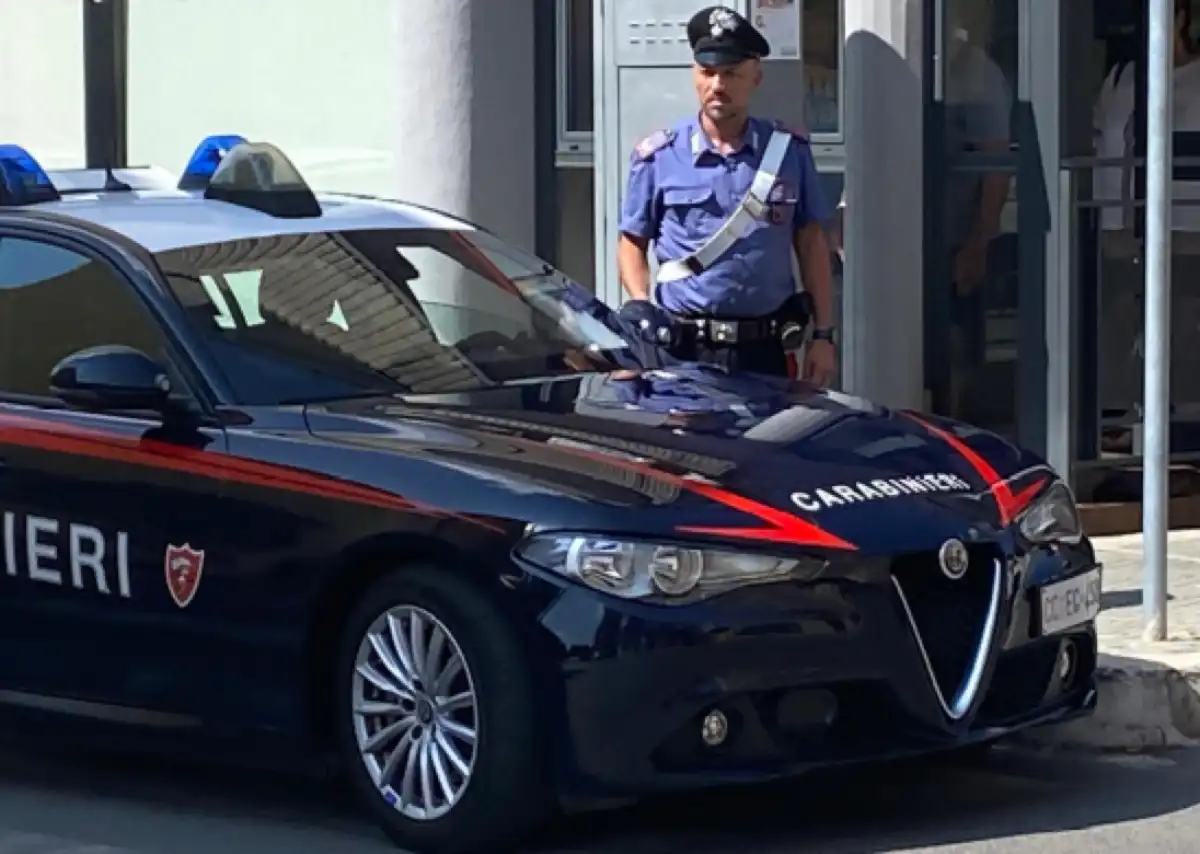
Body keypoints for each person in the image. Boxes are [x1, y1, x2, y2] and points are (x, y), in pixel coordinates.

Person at [615, 5, 838, 386]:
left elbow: (812, 243)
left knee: (769, 443)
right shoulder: (659, 157)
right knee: (689, 446)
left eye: (732, 74)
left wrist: (823, 335)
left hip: (765, 349)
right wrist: (641, 303)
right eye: (708, 73)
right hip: (684, 350)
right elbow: (632, 242)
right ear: (694, 76)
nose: (718, 85)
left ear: (756, 78)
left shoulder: (788, 152)